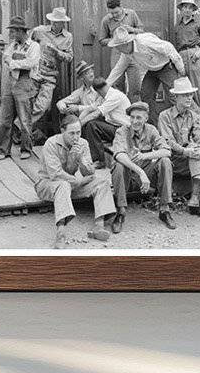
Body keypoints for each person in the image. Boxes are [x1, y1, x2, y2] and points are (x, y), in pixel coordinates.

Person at [35, 112, 116, 249]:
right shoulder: (51, 144)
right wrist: (79, 181)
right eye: (72, 133)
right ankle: (61, 233)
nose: (76, 137)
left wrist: (81, 160)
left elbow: (89, 173)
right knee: (63, 184)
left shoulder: (82, 143)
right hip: (47, 185)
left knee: (102, 182)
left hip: (69, 186)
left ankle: (99, 226)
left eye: (78, 132)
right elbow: (56, 175)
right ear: (62, 131)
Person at [110, 101, 175, 233]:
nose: (134, 121)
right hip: (128, 178)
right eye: (132, 117)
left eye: (139, 117)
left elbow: (167, 151)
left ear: (146, 118)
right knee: (118, 166)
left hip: (146, 175)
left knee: (165, 161)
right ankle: (121, 211)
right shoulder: (121, 131)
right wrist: (140, 172)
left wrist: (144, 156)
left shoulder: (151, 130)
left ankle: (164, 210)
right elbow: (119, 155)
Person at [158, 77, 200, 219]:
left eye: (190, 95)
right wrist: (185, 151)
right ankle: (197, 201)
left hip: (188, 157)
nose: (189, 98)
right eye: (184, 95)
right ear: (176, 97)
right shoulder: (165, 116)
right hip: (171, 158)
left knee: (198, 151)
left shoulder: (194, 116)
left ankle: (195, 200)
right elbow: (168, 141)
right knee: (194, 153)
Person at [105, 26, 185, 127]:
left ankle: (183, 124)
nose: (117, 49)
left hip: (166, 66)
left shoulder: (144, 41)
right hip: (152, 70)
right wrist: (105, 86)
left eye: (118, 46)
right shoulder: (126, 53)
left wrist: (180, 68)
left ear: (126, 44)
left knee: (174, 96)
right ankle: (154, 126)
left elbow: (168, 47)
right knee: (146, 94)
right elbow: (118, 70)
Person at [0, 16, 40, 161]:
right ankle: (4, 150)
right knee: (3, 119)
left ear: (21, 31)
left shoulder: (34, 46)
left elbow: (31, 62)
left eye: (14, 31)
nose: (12, 34)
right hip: (10, 83)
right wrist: (16, 61)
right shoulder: (12, 46)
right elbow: (5, 58)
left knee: (25, 119)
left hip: (25, 82)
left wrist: (14, 63)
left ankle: (26, 148)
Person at [29, 6, 74, 126]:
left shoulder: (67, 37)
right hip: (35, 72)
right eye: (52, 21)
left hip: (50, 76)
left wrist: (57, 52)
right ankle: (24, 133)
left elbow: (69, 57)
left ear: (62, 23)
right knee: (28, 103)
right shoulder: (39, 31)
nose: (54, 24)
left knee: (43, 106)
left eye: (57, 22)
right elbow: (27, 43)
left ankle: (20, 125)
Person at [80, 77, 132, 166]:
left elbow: (96, 114)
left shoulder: (115, 96)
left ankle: (99, 161)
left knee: (92, 125)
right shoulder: (104, 95)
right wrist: (77, 121)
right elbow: (90, 109)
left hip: (124, 130)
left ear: (97, 91)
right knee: (89, 123)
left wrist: (79, 124)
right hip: (114, 125)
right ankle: (86, 155)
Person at [98, 0, 144, 95]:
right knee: (117, 86)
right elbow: (101, 40)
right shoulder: (106, 20)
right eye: (111, 13)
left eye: (116, 12)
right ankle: (121, 109)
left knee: (136, 86)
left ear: (121, 6)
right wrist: (115, 40)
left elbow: (142, 31)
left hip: (133, 52)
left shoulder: (131, 14)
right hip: (117, 54)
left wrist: (131, 30)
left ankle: (135, 108)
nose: (114, 15)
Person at [172, 0, 200, 106]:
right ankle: (188, 114)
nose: (187, 9)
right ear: (181, 10)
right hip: (181, 56)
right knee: (183, 86)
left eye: (190, 7)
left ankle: (199, 114)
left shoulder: (199, 23)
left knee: (197, 85)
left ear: (193, 10)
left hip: (195, 55)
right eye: (185, 7)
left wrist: (199, 53)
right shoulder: (177, 26)